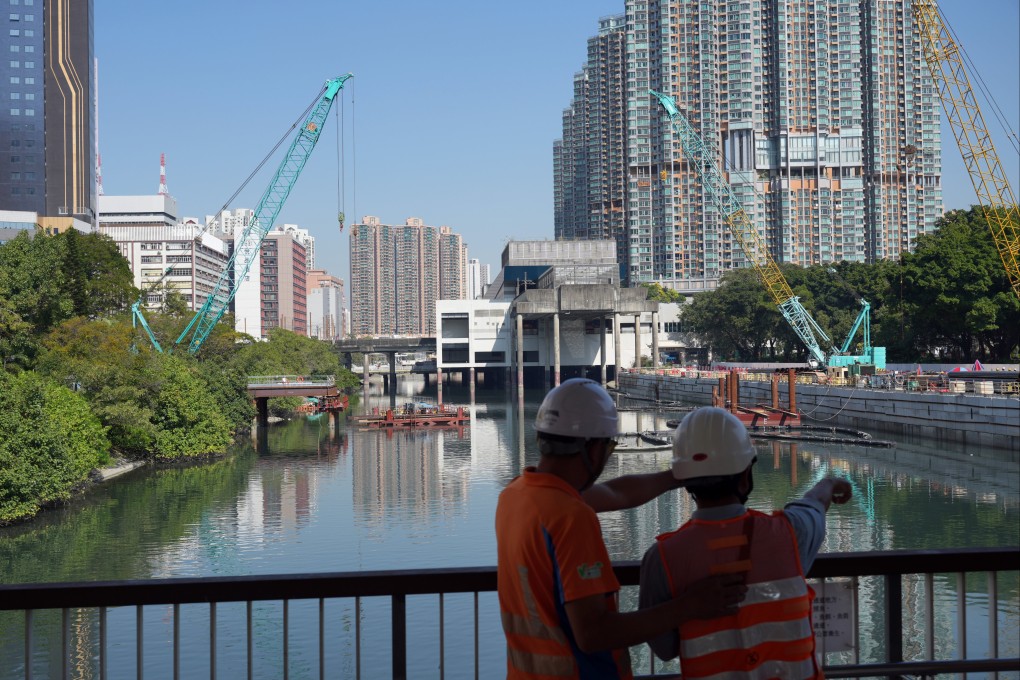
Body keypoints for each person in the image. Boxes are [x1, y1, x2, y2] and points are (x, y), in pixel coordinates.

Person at [496, 379, 747, 679]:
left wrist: (679, 475)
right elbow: (594, 633)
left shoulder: (517, 495)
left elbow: (617, 493)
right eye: (610, 447)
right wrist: (689, 606)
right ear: (593, 449)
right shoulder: (571, 517)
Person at [638, 406, 853, 679]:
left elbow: (665, 648)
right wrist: (831, 483)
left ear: (684, 480)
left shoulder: (662, 559)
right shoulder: (790, 533)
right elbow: (815, 503)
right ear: (745, 476)